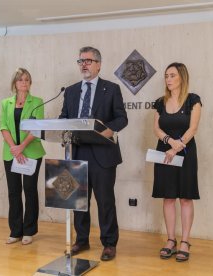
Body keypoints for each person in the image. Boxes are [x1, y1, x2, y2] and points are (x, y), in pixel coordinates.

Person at [59, 46, 128, 261]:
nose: (84, 65)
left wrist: (106, 131)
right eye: (80, 61)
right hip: (77, 151)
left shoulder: (112, 89)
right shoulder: (70, 91)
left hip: (103, 154)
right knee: (79, 201)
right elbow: (64, 117)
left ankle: (109, 243)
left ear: (98, 64)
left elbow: (121, 118)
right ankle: (82, 239)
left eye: (88, 61)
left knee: (105, 201)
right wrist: (61, 129)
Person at [152, 62, 202, 262]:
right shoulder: (159, 102)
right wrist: (168, 142)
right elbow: (156, 128)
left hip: (185, 151)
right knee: (168, 197)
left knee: (185, 197)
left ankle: (185, 241)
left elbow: (193, 128)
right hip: (164, 152)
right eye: (166, 76)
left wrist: (177, 146)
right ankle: (171, 240)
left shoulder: (193, 100)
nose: (168, 79)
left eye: (172, 75)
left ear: (182, 77)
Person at [0, 68, 46, 245]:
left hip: (31, 152)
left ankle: (29, 230)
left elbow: (37, 127)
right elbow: (3, 126)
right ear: (15, 84)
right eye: (20, 80)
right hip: (10, 153)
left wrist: (22, 147)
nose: (24, 83)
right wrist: (14, 148)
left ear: (30, 83)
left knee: (30, 190)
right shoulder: (6, 103)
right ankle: (15, 231)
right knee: (13, 192)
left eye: (27, 80)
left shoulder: (38, 102)